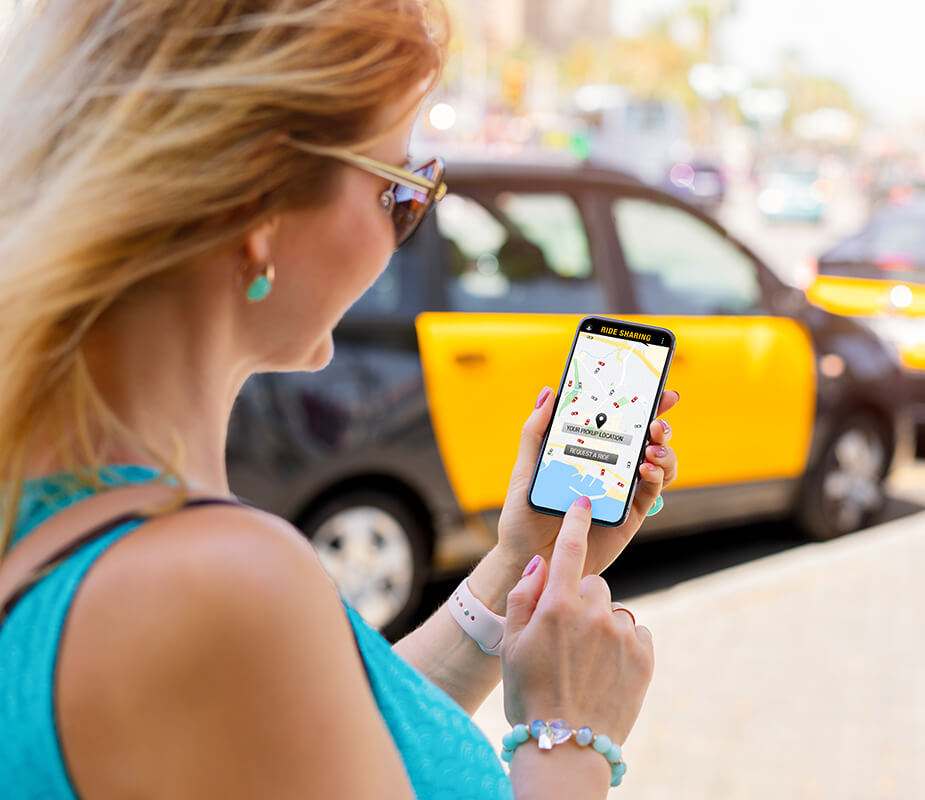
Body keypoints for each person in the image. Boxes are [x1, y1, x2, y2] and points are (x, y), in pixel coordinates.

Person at [0, 1, 680, 798]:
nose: (405, 232)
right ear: (259, 206)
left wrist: (512, 572)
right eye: (402, 191)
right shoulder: (213, 581)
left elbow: (332, 746)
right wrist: (570, 735)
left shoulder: (80, 515)